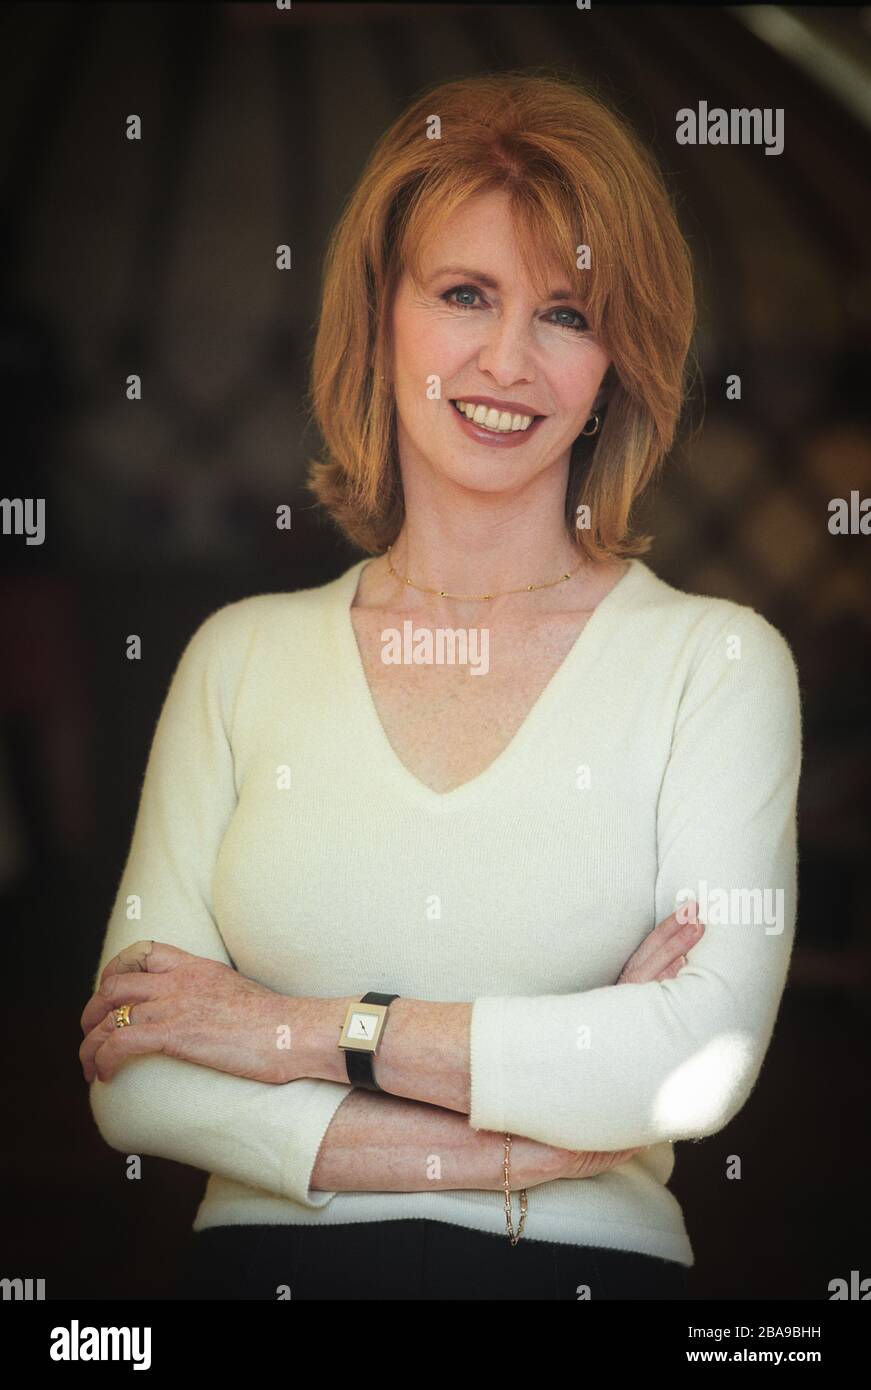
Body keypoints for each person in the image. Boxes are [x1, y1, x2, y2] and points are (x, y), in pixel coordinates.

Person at [79, 70, 802, 1300]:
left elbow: (695, 1063)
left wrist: (284, 1030)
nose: (508, 359)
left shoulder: (715, 665)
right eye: (465, 294)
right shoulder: (238, 657)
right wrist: (516, 1141)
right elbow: (136, 1066)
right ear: (384, 319)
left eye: (566, 314)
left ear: (616, 360)